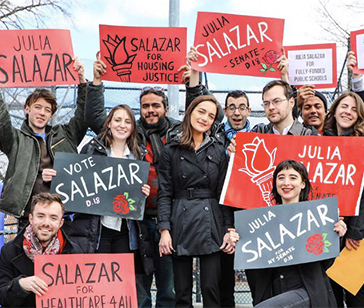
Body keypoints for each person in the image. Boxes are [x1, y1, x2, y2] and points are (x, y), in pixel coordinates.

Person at [85, 54, 176, 308]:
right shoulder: (133, 140)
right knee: (138, 288)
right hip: (137, 222)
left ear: (165, 109)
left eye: (155, 105)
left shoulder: (178, 132)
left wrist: (192, 83)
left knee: (169, 288)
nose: (150, 110)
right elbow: (95, 120)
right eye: (145, 106)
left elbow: (203, 115)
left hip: (168, 220)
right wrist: (96, 82)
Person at [157, 95, 235, 308]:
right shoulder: (170, 151)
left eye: (211, 116)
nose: (205, 118)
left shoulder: (219, 150)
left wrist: (229, 228)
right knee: (181, 292)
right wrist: (164, 230)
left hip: (212, 220)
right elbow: (164, 193)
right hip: (179, 221)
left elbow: (223, 194)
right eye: (201, 111)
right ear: (190, 111)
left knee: (211, 288)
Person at [242, 160, 345, 308]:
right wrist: (240, 240)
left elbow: (326, 264)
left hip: (307, 291)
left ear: (303, 183)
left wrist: (336, 237)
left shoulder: (317, 218)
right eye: (281, 177)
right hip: (275, 291)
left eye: (293, 177)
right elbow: (254, 264)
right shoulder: (262, 222)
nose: (286, 182)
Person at [49, 104, 150, 256]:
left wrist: (143, 193)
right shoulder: (91, 149)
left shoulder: (138, 155)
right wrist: (54, 177)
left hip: (126, 229)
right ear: (109, 123)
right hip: (96, 228)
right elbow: (73, 181)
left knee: (122, 277)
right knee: (99, 277)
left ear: (133, 127)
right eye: (117, 120)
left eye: (128, 122)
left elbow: (139, 197)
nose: (122, 125)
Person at [0, 58, 86, 227]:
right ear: (27, 109)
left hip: (63, 218)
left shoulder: (65, 135)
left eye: (47, 110)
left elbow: (83, 114)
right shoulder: (15, 140)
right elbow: (0, 119)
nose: (42, 113)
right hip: (29, 218)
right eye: (37, 107)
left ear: (51, 115)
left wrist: (82, 82)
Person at [323, 91, 364, 308]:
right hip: (326, 229)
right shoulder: (318, 141)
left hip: (356, 231)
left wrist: (354, 231)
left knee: (354, 293)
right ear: (335, 110)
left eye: (354, 109)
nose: (348, 112)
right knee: (330, 292)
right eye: (344, 106)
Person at [0, 193, 79, 308]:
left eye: (53, 218)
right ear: (31, 218)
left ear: (60, 223)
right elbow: (2, 297)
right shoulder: (9, 251)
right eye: (40, 216)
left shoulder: (74, 253)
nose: (46, 223)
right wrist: (20, 285)